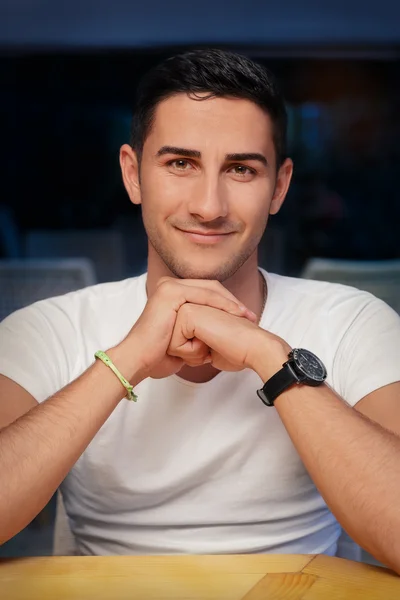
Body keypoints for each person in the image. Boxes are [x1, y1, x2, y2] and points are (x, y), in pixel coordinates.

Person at [0, 49, 399, 571]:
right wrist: (127, 359)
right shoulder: (48, 329)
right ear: (133, 174)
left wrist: (272, 359)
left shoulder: (353, 321)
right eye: (181, 163)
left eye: (241, 169)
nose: (209, 206)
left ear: (278, 186)